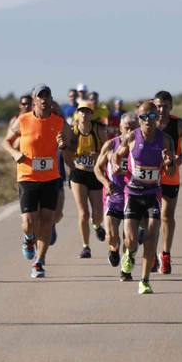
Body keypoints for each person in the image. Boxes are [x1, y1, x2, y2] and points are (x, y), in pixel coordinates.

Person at [4, 84, 74, 278]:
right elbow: (6, 141)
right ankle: (28, 238)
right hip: (27, 176)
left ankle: (39, 262)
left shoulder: (59, 122)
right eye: (40, 96)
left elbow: (71, 144)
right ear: (34, 100)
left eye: (47, 96)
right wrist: (15, 153)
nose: (44, 99)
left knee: (47, 221)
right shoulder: (23, 120)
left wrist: (64, 144)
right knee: (28, 222)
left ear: (51, 99)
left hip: (50, 177)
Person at [112, 100, 175, 294]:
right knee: (130, 240)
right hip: (132, 194)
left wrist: (169, 163)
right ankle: (129, 254)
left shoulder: (165, 141)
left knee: (150, 239)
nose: (148, 120)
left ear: (158, 118)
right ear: (139, 119)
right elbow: (117, 156)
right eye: (144, 117)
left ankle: (145, 280)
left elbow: (171, 173)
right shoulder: (131, 137)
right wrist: (116, 165)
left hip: (152, 195)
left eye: (153, 116)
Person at [152, 91, 182, 275]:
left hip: (171, 177)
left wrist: (181, 158)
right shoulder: (149, 122)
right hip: (150, 178)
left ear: (171, 106)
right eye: (158, 106)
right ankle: (151, 255)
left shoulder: (178, 124)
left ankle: (165, 254)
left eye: (164, 106)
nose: (161, 109)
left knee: (166, 215)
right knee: (150, 218)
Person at [96, 112, 138, 276]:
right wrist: (106, 183)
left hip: (133, 196)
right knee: (111, 236)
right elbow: (97, 168)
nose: (129, 131)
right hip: (113, 196)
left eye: (132, 128)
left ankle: (125, 268)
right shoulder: (110, 145)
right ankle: (114, 250)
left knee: (129, 237)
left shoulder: (141, 147)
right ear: (120, 127)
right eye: (126, 128)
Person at [67, 106, 107, 258]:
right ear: (77, 114)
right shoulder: (72, 131)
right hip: (78, 174)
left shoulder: (99, 131)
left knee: (98, 213)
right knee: (83, 213)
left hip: (95, 173)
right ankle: (86, 247)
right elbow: (65, 150)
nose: (84, 114)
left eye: (87, 111)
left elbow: (107, 150)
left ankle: (96, 225)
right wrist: (72, 161)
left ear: (92, 114)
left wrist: (97, 155)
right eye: (81, 111)